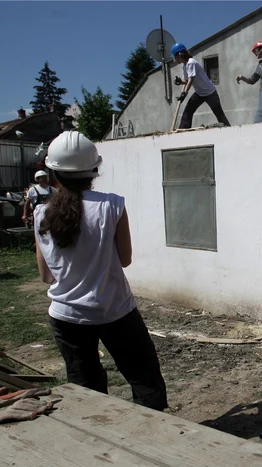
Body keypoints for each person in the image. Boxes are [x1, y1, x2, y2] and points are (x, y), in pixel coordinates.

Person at [34, 130, 168, 411]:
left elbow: (46, 276)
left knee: (86, 387)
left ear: (53, 173)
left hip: (66, 316)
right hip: (114, 310)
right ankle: (155, 438)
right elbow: (125, 258)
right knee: (144, 380)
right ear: (94, 170)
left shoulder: (40, 214)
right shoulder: (112, 204)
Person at [171, 42, 231, 129]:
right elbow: (187, 81)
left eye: (175, 56)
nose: (174, 59)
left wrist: (184, 93)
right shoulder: (184, 66)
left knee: (219, 113)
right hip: (199, 93)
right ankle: (182, 130)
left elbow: (191, 79)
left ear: (179, 55)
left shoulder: (191, 62)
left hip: (210, 93)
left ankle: (228, 130)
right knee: (188, 111)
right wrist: (181, 82)